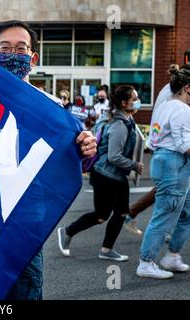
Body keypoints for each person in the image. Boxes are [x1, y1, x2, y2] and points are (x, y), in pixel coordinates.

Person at [0, 20, 97, 300]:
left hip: (24, 225)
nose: (13, 54)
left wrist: (86, 149)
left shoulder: (52, 108)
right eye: (5, 48)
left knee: (23, 291)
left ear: (33, 58)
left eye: (21, 48)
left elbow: (74, 160)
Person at [58, 85, 143, 262]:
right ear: (123, 102)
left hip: (116, 176)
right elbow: (113, 156)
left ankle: (106, 250)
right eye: (134, 99)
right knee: (101, 215)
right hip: (106, 175)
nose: (137, 102)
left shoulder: (126, 119)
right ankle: (67, 232)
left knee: (120, 213)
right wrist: (135, 165)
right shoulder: (119, 125)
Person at [136, 67, 190, 279]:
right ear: (187, 88)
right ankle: (146, 262)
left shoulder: (165, 106)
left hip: (166, 160)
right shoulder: (183, 110)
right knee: (165, 215)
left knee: (184, 212)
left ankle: (172, 256)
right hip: (173, 163)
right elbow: (185, 145)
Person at [123, 64, 190, 236]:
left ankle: (159, 222)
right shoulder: (174, 94)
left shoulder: (169, 90)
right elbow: (177, 122)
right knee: (170, 188)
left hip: (163, 144)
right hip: (171, 146)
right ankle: (163, 226)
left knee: (170, 188)